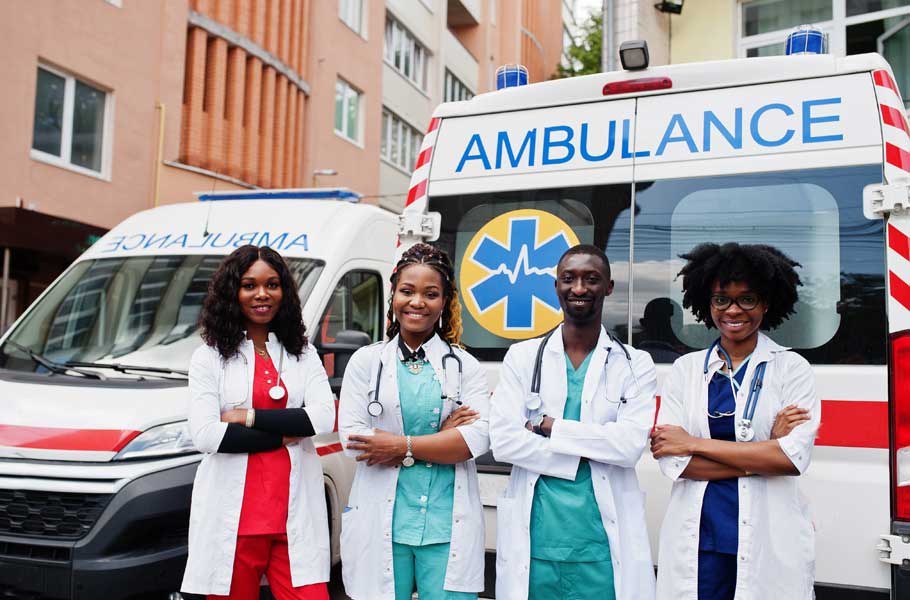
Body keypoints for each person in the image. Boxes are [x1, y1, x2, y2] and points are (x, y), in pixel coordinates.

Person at [650, 242, 820, 600]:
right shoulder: (686, 370)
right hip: (701, 537)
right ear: (707, 304)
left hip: (768, 533)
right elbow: (673, 461)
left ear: (766, 304)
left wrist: (694, 443)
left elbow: (790, 460)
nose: (733, 310)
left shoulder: (791, 369)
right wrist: (762, 453)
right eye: (721, 299)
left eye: (747, 299)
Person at [490, 244, 658, 600]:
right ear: (556, 286)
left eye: (591, 279)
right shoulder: (523, 357)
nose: (579, 288)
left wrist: (552, 427)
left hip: (598, 544)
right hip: (536, 542)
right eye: (569, 279)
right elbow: (504, 441)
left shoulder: (634, 363)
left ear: (609, 287)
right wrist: (589, 449)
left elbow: (628, 447)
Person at [181, 245, 336, 599]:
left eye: (272, 284)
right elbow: (206, 435)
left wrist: (247, 418)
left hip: (293, 516)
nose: (262, 294)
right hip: (234, 522)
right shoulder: (209, 357)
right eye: (249, 285)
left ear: (285, 291)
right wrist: (280, 437)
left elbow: (323, 417)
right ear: (232, 292)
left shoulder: (302, 353)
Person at [338, 243, 490, 600]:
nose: (417, 302)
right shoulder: (366, 362)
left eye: (430, 294)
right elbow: (353, 441)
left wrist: (398, 446)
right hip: (383, 525)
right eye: (407, 291)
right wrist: (440, 439)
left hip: (445, 526)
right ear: (393, 295)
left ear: (445, 301)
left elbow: (476, 440)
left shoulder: (465, 366)